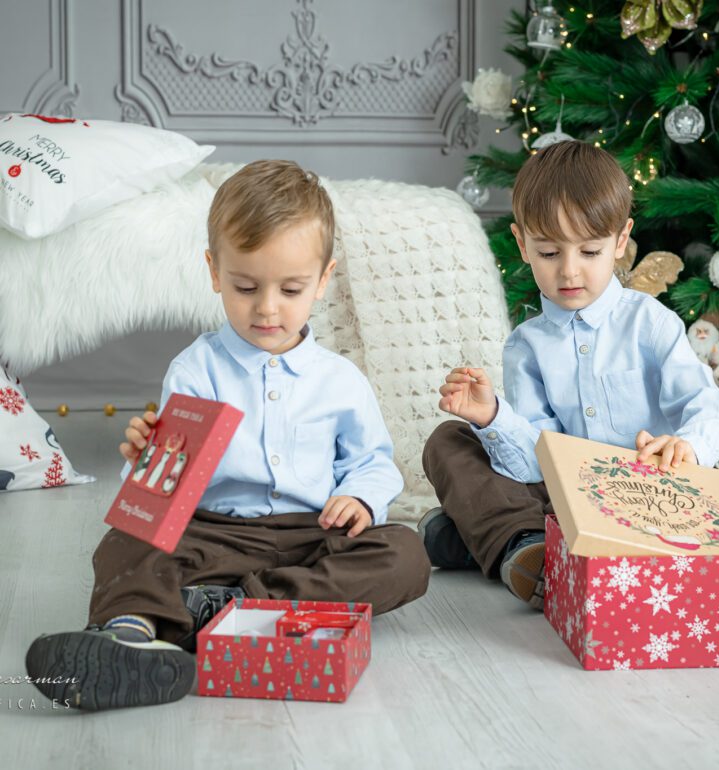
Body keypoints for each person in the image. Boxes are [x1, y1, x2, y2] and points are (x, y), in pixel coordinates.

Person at [26, 160, 430, 711]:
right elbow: (162, 487)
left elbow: (374, 462)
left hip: (308, 537)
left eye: (290, 288)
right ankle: (128, 633)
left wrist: (361, 496)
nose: (267, 308)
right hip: (210, 533)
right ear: (215, 272)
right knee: (126, 542)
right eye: (245, 287)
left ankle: (225, 608)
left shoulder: (340, 381)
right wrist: (147, 456)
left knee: (404, 553)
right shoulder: (196, 370)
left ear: (324, 280)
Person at [419, 140, 719, 610]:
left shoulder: (650, 322)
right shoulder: (526, 345)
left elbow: (711, 403)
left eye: (590, 251)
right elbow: (531, 462)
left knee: (442, 529)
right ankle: (528, 549)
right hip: (561, 499)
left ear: (620, 241)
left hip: (649, 495)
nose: (569, 271)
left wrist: (687, 445)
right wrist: (490, 417)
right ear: (523, 244)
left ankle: (496, 539)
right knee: (448, 440)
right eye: (549, 253)